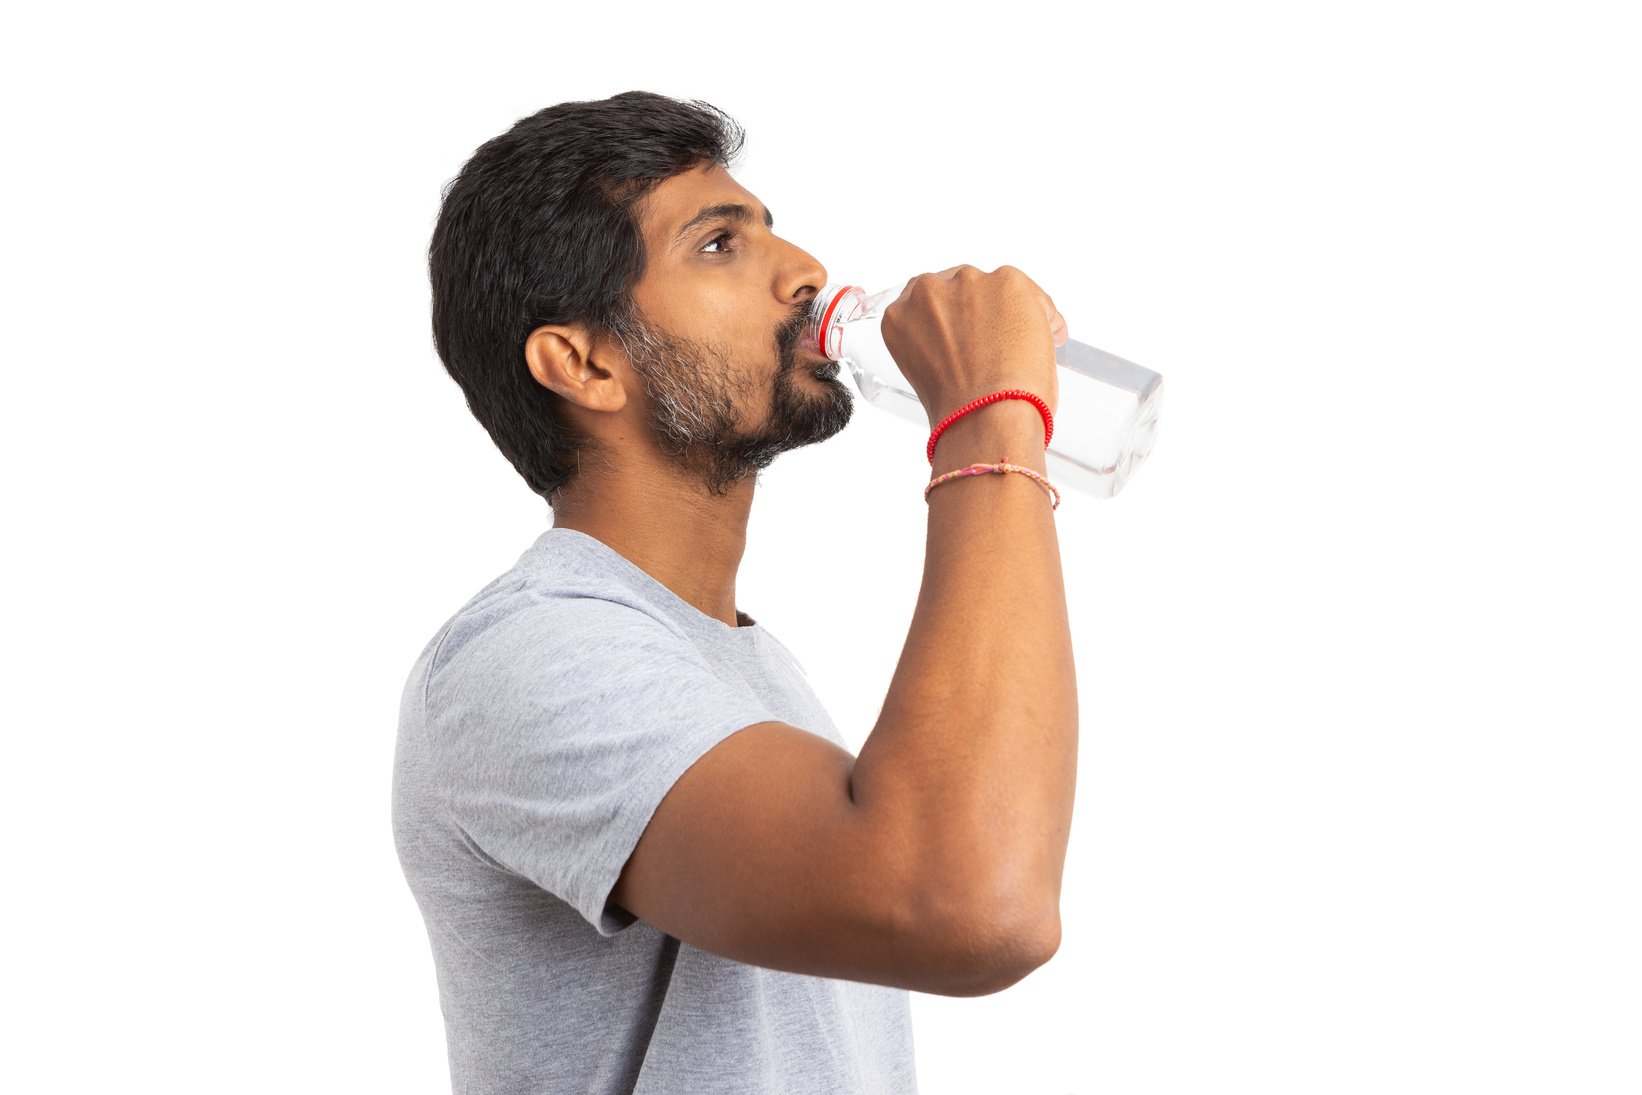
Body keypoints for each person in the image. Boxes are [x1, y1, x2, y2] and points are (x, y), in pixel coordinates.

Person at [392, 90, 1078, 1095]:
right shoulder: (528, 657)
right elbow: (972, 905)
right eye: (717, 245)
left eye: (764, 229)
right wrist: (989, 423)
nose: (804, 273)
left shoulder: (727, 661)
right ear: (581, 363)